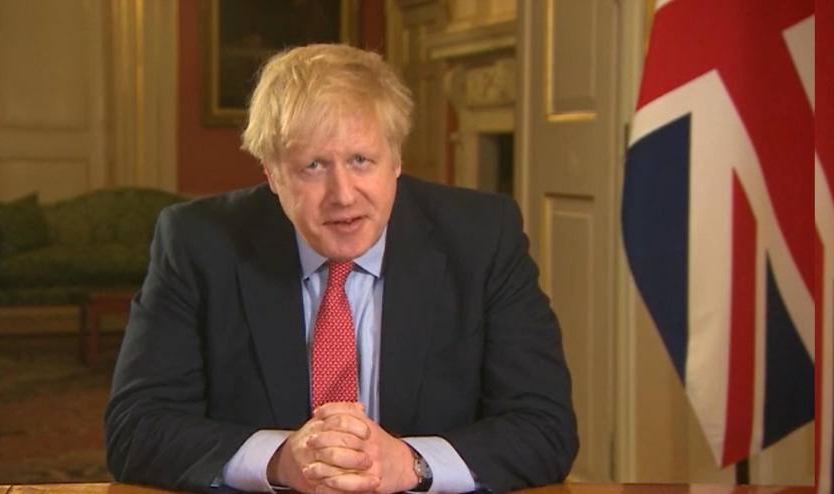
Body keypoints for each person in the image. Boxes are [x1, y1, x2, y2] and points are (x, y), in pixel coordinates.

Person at [104, 43, 578, 494]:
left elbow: (545, 427)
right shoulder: (197, 242)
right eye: (313, 165)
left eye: (361, 160)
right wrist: (280, 460)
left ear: (396, 159)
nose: (344, 195)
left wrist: (410, 462)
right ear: (272, 173)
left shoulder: (482, 238)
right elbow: (136, 427)